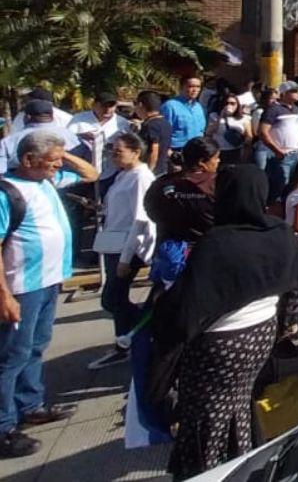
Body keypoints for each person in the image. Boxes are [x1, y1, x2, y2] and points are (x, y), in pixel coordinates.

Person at [148, 166, 298, 479]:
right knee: (239, 402)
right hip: (260, 337)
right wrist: (285, 327)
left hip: (218, 346)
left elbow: (184, 311)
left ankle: (208, 472)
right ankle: (243, 457)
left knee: (206, 418)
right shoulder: (278, 232)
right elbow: (296, 286)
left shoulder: (216, 243)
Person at [0, 132, 80, 459]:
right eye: (53, 160)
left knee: (36, 345)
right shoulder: (8, 192)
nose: (58, 166)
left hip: (48, 280)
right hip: (22, 285)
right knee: (11, 356)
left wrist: (62, 153)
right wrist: (4, 295)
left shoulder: (45, 179)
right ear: (29, 160)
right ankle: (4, 426)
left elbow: (90, 173)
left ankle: (30, 405)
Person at [88, 132, 157, 370]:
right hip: (113, 242)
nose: (114, 157)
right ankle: (128, 338)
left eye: (119, 152)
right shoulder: (123, 176)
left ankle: (141, 330)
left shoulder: (141, 177)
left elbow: (141, 219)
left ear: (136, 152)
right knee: (114, 300)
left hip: (127, 247)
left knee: (113, 298)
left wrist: (127, 258)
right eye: (112, 152)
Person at [145, 138, 219, 293]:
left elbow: (151, 210)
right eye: (216, 157)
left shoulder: (162, 183)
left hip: (169, 252)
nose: (218, 161)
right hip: (204, 253)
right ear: (201, 162)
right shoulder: (215, 183)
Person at [258, 81, 298, 205]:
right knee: (280, 190)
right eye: (294, 91)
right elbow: (263, 132)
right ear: (284, 93)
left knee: (293, 188)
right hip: (282, 156)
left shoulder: (297, 110)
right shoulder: (273, 110)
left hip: (297, 154)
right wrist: (277, 150)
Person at [68, 92, 130, 182]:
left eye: (111, 106)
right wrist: (82, 137)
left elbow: (128, 146)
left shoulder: (122, 123)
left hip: (110, 172)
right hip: (82, 172)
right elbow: (68, 140)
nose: (107, 109)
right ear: (94, 105)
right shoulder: (79, 119)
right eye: (104, 105)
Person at [161, 76, 207, 155]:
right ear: (181, 87)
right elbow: (163, 132)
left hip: (197, 148)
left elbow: (201, 129)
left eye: (198, 87)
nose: (195, 90)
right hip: (177, 150)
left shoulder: (198, 106)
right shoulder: (170, 106)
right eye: (191, 86)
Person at [206, 94, 252, 167]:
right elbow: (208, 132)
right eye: (226, 103)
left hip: (236, 151)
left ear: (237, 105)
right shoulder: (214, 116)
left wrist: (242, 139)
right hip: (219, 150)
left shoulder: (243, 118)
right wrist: (221, 116)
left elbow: (249, 136)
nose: (229, 105)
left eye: (233, 103)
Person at [136, 91, 173, 178]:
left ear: (140, 105)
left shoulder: (150, 126)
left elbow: (154, 150)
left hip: (152, 172)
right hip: (163, 169)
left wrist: (148, 172)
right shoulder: (165, 123)